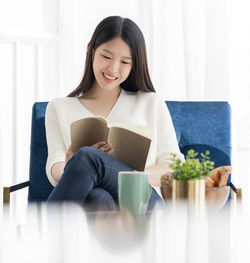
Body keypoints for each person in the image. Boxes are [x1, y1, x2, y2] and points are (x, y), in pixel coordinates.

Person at [44, 16, 184, 211]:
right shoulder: (59, 107)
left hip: (143, 201)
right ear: (90, 50)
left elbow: (173, 167)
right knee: (99, 196)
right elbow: (55, 166)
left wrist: (127, 174)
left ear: (134, 65)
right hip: (93, 202)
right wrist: (71, 165)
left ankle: (45, 235)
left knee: (87, 157)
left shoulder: (151, 102)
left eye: (125, 62)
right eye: (106, 57)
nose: (113, 68)